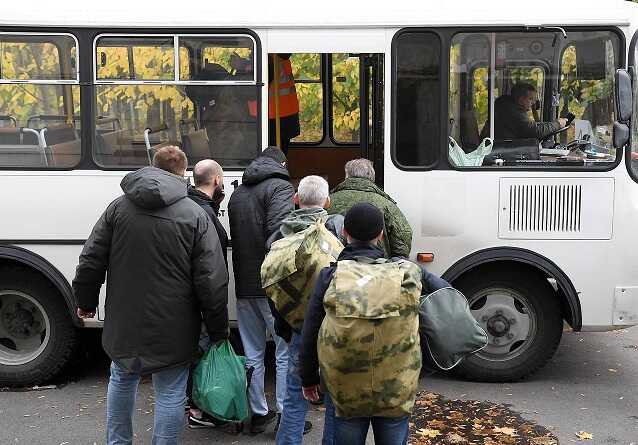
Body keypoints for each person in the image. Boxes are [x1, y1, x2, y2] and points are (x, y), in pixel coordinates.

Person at [72, 146, 229, 445]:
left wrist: (85, 302)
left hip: (124, 319)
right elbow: (212, 281)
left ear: (151, 166)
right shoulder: (195, 215)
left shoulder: (118, 208)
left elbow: (91, 259)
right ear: (183, 173)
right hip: (175, 324)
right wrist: (218, 330)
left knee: (121, 377)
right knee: (170, 391)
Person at [300, 203, 449, 445]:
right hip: (396, 385)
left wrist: (308, 378)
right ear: (380, 235)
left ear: (344, 234)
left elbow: (310, 332)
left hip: (345, 385)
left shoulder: (330, 276)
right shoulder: (407, 273)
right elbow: (447, 297)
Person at [266, 175, 344, 444]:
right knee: (335, 394)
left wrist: (283, 324)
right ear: (328, 202)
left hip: (296, 326)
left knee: (294, 394)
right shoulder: (335, 235)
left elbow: (273, 288)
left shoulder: (280, 236)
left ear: (296, 199)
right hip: (333, 326)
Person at [228, 146, 294, 433]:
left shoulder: (238, 193)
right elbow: (279, 235)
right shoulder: (280, 188)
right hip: (272, 284)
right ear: (282, 163)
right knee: (284, 350)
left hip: (244, 283)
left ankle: (256, 413)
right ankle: (284, 415)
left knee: (253, 351)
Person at [186, 159, 230, 429]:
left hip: (190, 297)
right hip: (203, 299)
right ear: (216, 181)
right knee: (202, 351)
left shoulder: (190, 206)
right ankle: (198, 410)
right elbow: (210, 271)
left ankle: (192, 404)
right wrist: (218, 323)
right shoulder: (205, 214)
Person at [329, 158, 412, 258]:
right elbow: (403, 239)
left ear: (347, 176)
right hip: (378, 268)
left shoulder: (328, 202)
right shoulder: (386, 204)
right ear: (372, 177)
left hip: (337, 267)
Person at [243, 54, 300, 154]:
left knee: (271, 157)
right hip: (283, 117)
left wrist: (241, 65)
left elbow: (253, 90)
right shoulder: (279, 59)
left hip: (274, 119)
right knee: (279, 154)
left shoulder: (269, 60)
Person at [494, 83, 568, 140]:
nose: (533, 102)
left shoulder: (509, 108)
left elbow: (533, 126)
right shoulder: (512, 112)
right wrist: (558, 124)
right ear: (521, 100)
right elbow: (535, 131)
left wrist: (534, 111)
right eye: (530, 99)